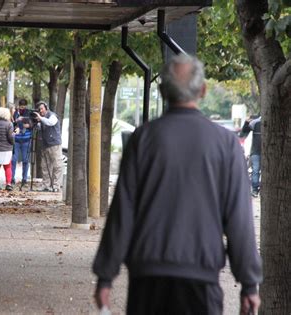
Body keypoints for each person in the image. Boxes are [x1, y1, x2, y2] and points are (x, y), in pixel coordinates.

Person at [92, 54, 262, 315]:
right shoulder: (225, 144)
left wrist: (106, 274)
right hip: (201, 281)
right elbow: (239, 219)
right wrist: (249, 284)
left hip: (147, 279)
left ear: (161, 91)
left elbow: (122, 211)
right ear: (203, 90)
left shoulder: (143, 139)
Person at [32, 101, 63, 192]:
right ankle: (46, 185)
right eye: (39, 109)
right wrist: (34, 122)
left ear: (46, 107)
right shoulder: (42, 119)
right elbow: (40, 127)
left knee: (57, 165)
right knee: (45, 166)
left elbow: (50, 123)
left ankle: (56, 186)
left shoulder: (52, 115)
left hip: (54, 144)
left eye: (42, 108)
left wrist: (40, 118)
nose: (41, 111)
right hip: (45, 145)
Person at [11, 99, 33, 186]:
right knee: (13, 160)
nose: (22, 108)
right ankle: (12, 178)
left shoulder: (29, 113)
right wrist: (16, 121)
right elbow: (12, 124)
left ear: (26, 106)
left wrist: (25, 122)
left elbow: (32, 123)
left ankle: (24, 179)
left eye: (24, 107)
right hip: (16, 139)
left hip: (26, 139)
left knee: (25, 160)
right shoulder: (15, 112)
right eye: (21, 107)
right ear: (18, 106)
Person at [241, 115, 261, 197]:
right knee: (255, 171)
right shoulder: (256, 122)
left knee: (256, 171)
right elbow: (244, 132)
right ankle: (255, 190)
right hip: (255, 152)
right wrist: (246, 122)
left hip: (265, 152)